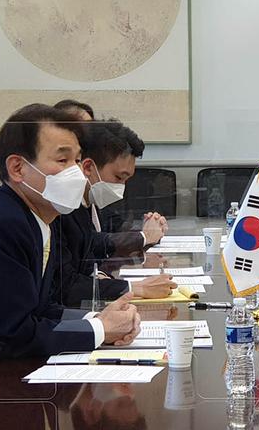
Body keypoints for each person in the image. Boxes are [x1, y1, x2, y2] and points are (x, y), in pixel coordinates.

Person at [0, 104, 141, 410]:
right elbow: (14, 334)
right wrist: (99, 330)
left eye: (76, 159)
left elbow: (41, 309)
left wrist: (97, 320)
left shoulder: (36, 218)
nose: (76, 172)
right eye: (62, 159)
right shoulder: (3, 224)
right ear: (18, 168)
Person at [50, 119, 175, 307]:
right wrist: (134, 288)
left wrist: (146, 235)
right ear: (88, 167)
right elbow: (65, 287)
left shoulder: (90, 202)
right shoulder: (62, 210)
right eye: (118, 177)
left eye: (126, 179)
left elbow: (96, 254)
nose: (121, 187)